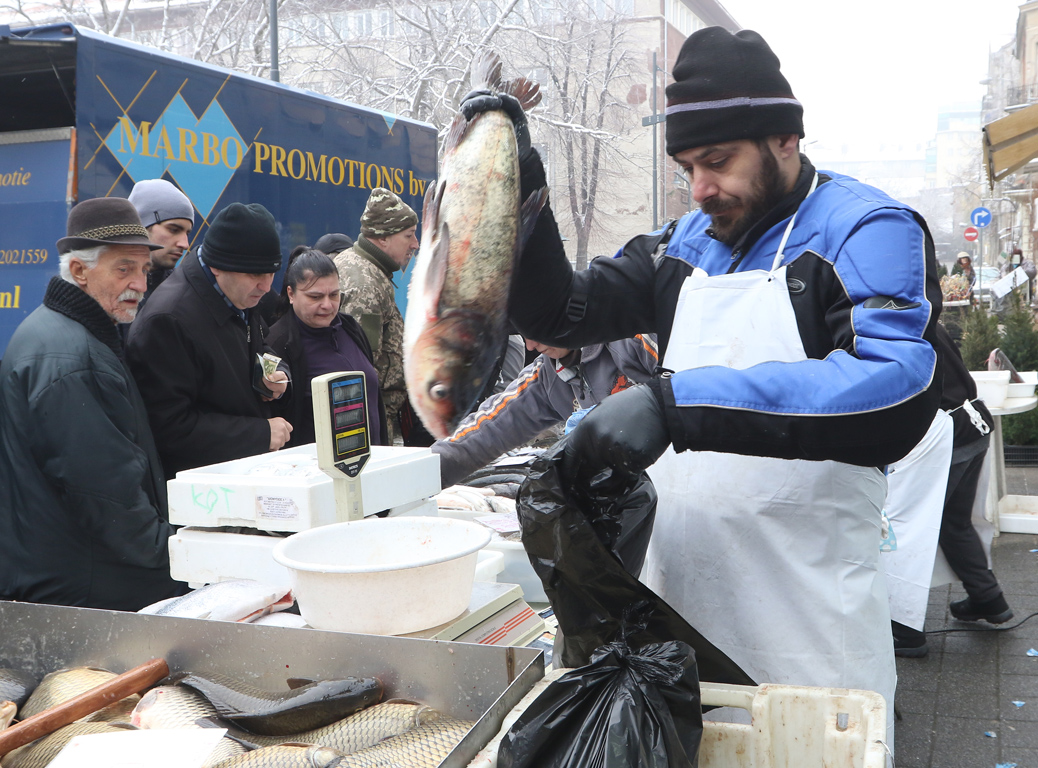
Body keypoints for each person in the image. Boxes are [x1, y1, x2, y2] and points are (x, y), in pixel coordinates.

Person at [471, 27, 943, 739]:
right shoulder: (681, 246)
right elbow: (554, 310)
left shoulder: (864, 229)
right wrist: (515, 166)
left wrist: (673, 405)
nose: (700, 188)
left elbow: (895, 390)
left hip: (810, 622)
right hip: (681, 614)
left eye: (718, 162)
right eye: (688, 166)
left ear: (784, 139)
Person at [0, 197, 185, 610]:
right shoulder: (73, 358)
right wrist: (176, 561)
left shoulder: (66, 331)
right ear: (80, 271)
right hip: (83, 582)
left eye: (143, 269)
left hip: (61, 567)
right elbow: (108, 496)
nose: (139, 282)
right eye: (124, 269)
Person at [127, 202, 292, 480]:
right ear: (218, 267)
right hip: (202, 492)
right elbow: (169, 428)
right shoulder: (167, 320)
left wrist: (278, 376)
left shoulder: (236, 290)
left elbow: (259, 346)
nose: (266, 287)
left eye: (271, 273)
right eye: (255, 274)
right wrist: (260, 433)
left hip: (239, 475)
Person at [433, 335, 659, 488]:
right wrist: (421, 471)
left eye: (535, 327)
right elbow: (485, 431)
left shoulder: (632, 338)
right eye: (522, 332)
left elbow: (685, 389)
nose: (530, 345)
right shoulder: (547, 376)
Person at [267, 248, 387, 448]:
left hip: (372, 464)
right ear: (291, 294)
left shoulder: (351, 328)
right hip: (315, 471)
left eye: (334, 295)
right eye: (315, 297)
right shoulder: (277, 344)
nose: (327, 305)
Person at [333, 187, 419, 443]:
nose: (415, 244)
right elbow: (361, 368)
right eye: (409, 236)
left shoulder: (369, 270)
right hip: (370, 420)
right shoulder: (364, 283)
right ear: (383, 238)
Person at [127, 178, 195, 302]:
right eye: (173, 230)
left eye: (187, 233)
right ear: (141, 227)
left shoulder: (187, 293)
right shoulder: (103, 286)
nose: (185, 245)